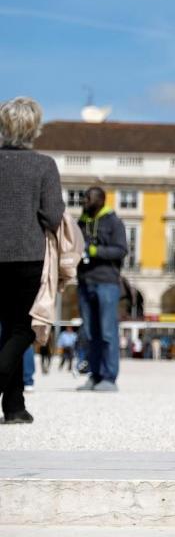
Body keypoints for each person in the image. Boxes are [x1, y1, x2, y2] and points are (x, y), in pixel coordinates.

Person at [0, 97, 64, 424]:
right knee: (23, 327)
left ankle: (14, 407)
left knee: (5, 330)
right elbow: (53, 215)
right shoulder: (43, 166)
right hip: (27, 255)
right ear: (34, 128)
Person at [73, 185, 128, 393]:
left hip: (107, 282)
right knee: (89, 332)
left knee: (107, 331)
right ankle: (94, 375)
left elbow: (121, 250)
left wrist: (95, 250)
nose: (84, 201)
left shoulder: (114, 222)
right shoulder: (82, 222)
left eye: (88, 198)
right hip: (85, 281)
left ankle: (109, 377)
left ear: (101, 200)